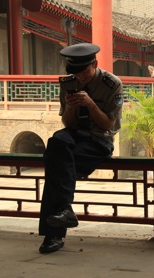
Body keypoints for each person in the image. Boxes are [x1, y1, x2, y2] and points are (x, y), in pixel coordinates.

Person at [38, 43, 123, 254]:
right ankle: (65, 210)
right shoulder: (68, 83)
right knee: (57, 140)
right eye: (76, 73)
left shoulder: (111, 84)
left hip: (98, 140)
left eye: (84, 72)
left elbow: (108, 126)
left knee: (56, 170)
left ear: (94, 64)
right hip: (75, 135)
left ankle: (53, 236)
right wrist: (71, 106)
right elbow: (67, 124)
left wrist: (91, 104)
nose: (81, 77)